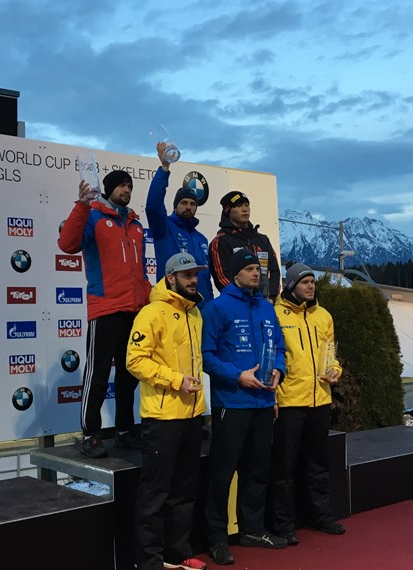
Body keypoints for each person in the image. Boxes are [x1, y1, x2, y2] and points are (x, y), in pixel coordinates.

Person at [201, 249, 288, 566]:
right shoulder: (216, 309)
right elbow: (207, 356)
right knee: (221, 475)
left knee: (257, 471)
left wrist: (279, 368)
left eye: (258, 268)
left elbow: (278, 346)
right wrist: (237, 376)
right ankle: (217, 539)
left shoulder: (266, 307)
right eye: (250, 269)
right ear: (235, 273)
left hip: (264, 401)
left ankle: (253, 530)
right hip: (232, 404)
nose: (256, 273)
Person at [59, 169, 152, 458]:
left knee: (128, 376)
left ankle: (125, 431)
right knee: (97, 374)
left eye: (130, 186)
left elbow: (139, 270)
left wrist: (148, 301)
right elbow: (67, 244)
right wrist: (82, 204)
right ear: (109, 189)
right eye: (122, 186)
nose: (127, 190)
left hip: (135, 308)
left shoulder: (135, 224)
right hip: (106, 307)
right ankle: (90, 434)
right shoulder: (94, 216)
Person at [126, 253, 209, 570]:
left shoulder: (195, 314)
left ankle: (178, 553)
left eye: (195, 275)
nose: (193, 280)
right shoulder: (151, 313)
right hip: (162, 418)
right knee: (155, 492)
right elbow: (135, 361)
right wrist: (175, 381)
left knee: (185, 491)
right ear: (170, 278)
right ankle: (149, 561)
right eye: (186, 275)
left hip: (192, 415)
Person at [270, 263, 346, 546]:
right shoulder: (276, 314)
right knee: (285, 467)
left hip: (320, 400)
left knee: (318, 464)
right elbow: (274, 359)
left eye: (313, 281)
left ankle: (321, 516)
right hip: (290, 401)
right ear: (291, 286)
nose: (311, 286)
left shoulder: (323, 316)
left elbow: (330, 353)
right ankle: (284, 524)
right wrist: (274, 398)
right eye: (304, 282)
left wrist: (335, 369)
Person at [145, 141, 214, 303]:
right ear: (175, 206)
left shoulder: (201, 239)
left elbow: (205, 277)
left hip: (202, 308)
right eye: (184, 203)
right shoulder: (164, 228)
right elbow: (153, 206)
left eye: (192, 204)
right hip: (173, 305)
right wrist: (164, 169)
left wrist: (210, 305)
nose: (188, 207)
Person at [209, 191, 280, 301]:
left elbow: (275, 271)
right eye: (238, 206)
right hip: (237, 303)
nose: (244, 209)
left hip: (265, 303)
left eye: (247, 205)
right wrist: (242, 299)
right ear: (228, 210)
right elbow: (222, 277)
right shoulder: (221, 241)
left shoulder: (262, 239)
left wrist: (272, 297)